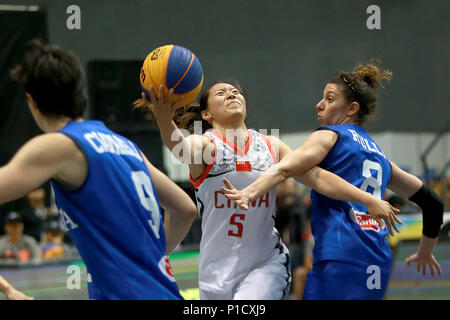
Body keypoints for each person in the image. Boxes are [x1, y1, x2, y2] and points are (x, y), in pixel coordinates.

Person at [138, 78, 399, 300]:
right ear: (207, 115)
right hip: (215, 270)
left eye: (236, 92)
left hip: (265, 264)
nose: (231, 94)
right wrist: (164, 119)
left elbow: (317, 177)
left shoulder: (271, 145)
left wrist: (367, 198)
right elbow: (180, 147)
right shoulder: (205, 145)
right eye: (221, 93)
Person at [221, 62, 444, 299]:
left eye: (329, 99)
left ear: (351, 109)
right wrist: (425, 252)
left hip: (341, 251)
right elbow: (433, 203)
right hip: (378, 259)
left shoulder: (330, 135)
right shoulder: (382, 158)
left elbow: (285, 168)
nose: (319, 104)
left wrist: (249, 192)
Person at [1, 39, 197, 299]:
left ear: (32, 101)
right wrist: (151, 257)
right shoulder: (127, 146)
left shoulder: (60, 146)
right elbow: (185, 209)